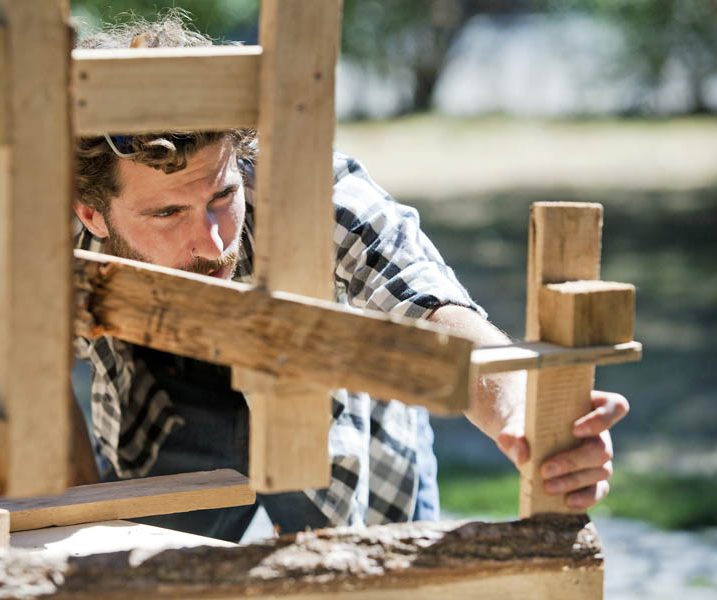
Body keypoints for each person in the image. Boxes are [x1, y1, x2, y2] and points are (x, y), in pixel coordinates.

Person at [70, 15, 629, 541]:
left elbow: (429, 301)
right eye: (168, 214)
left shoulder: (311, 190)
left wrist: (521, 414)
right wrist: (74, 521)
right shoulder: (48, 241)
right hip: (167, 412)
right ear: (91, 213)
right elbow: (33, 378)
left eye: (222, 198)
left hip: (333, 414)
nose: (214, 243)